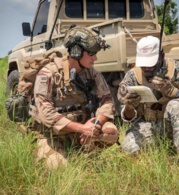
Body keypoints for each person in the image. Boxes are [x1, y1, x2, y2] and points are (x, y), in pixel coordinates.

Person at [29, 26, 119, 169]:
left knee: (111, 132)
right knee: (59, 168)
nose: (95, 58)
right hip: (52, 135)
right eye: (91, 53)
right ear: (76, 52)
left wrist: (95, 125)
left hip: (80, 131)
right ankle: (43, 151)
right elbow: (47, 115)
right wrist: (83, 129)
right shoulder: (48, 74)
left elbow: (107, 101)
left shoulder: (92, 73)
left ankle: (86, 154)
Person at [117, 36, 179, 165]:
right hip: (146, 126)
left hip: (173, 126)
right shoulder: (132, 76)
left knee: (176, 104)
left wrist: (176, 93)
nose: (147, 68)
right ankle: (160, 150)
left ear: (162, 55)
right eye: (144, 64)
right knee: (128, 149)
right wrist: (129, 107)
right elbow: (127, 117)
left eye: (151, 63)